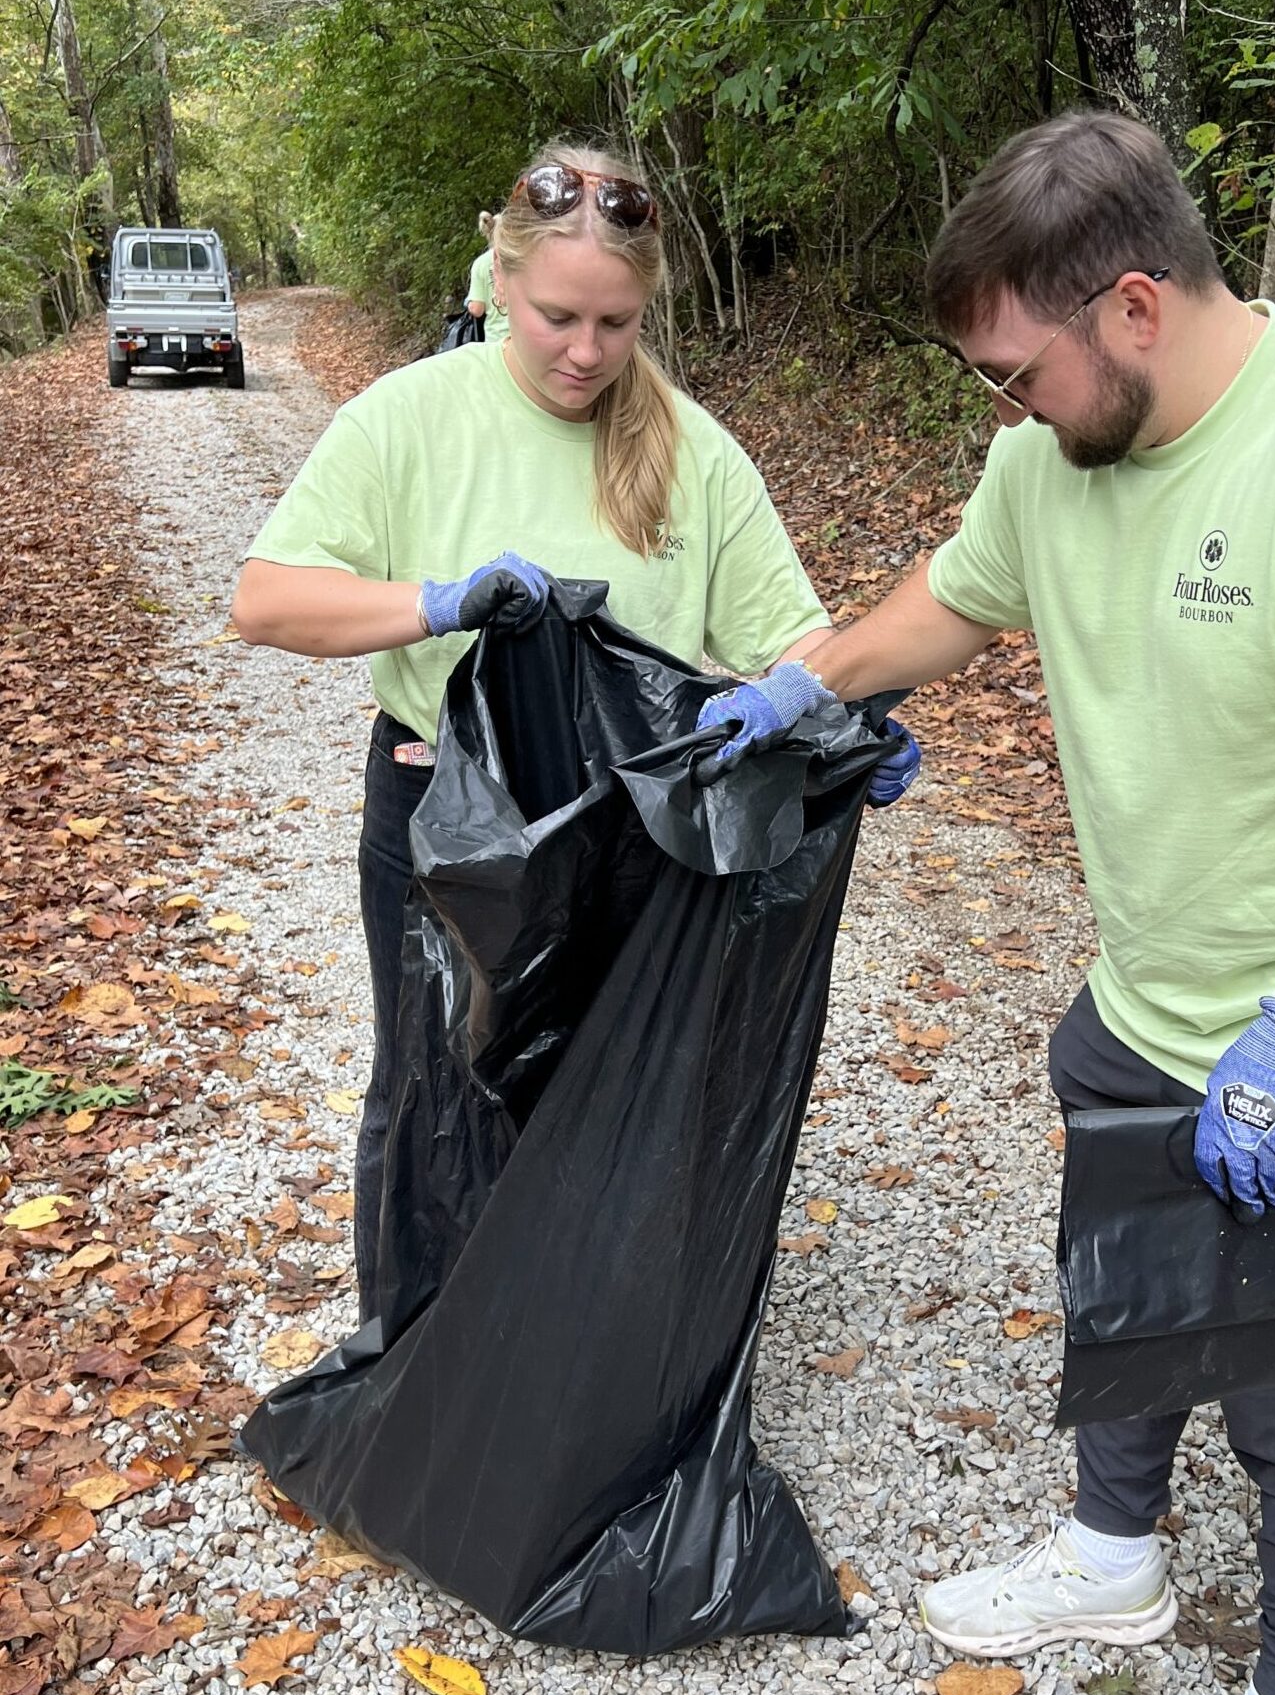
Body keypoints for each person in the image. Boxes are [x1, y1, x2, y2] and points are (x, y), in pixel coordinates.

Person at [701, 109, 1275, 1695]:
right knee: (1123, 1305)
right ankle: (1111, 1559)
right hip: (1140, 1008)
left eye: (1013, 373)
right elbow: (949, 603)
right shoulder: (1051, 459)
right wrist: (802, 685)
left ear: (1131, 306)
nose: (1004, 411)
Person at [231, 140, 919, 1326]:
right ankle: (424, 1363)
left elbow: (795, 635)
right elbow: (265, 600)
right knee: (439, 1092)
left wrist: (838, 712)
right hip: (446, 827)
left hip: (627, 844)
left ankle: (575, 1369)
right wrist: (437, 604)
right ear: (501, 279)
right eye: (558, 317)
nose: (587, 352)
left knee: (608, 1104)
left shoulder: (693, 454)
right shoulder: (408, 421)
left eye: (616, 323)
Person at [465, 213, 508, 342]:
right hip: (524, 336)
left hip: (495, 339)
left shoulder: (480, 264)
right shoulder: (521, 256)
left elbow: (477, 309)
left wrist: (468, 303)